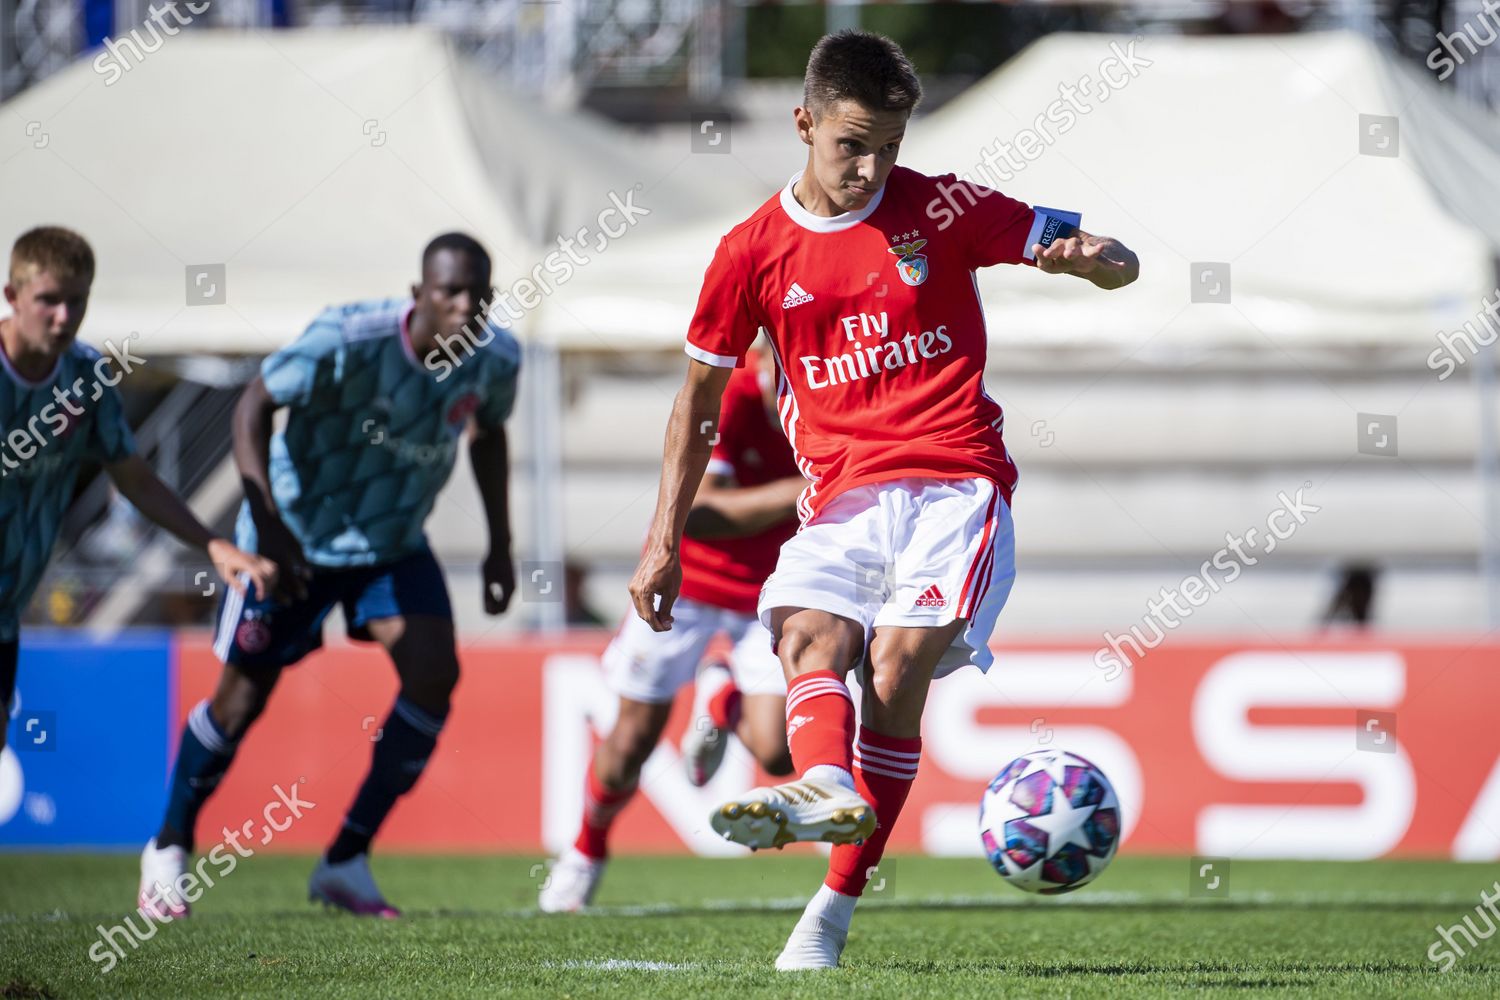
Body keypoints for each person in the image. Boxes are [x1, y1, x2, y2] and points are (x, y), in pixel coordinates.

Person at [626, 31, 1140, 969]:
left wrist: (1099, 258)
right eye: (852, 144)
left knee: (894, 677)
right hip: (844, 499)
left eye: (891, 146)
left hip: (957, 487)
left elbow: (1073, 244)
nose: (871, 167)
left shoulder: (941, 209)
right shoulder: (749, 253)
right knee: (807, 639)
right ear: (805, 122)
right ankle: (823, 783)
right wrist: (661, 539)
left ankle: (829, 912)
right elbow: (695, 402)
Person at [140, 232, 521, 919]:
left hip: (391, 542)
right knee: (240, 703)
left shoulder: (496, 360)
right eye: (450, 293)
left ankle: (344, 861)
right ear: (419, 296)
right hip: (294, 541)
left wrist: (501, 543)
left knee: (435, 673)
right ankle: (168, 846)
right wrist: (265, 518)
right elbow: (254, 403)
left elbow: (488, 434)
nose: (466, 307)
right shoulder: (346, 337)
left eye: (478, 294)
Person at [541, 344, 804, 912]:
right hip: (688, 579)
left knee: (779, 753)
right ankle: (585, 853)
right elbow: (699, 510)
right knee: (632, 740)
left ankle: (722, 698)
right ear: (766, 358)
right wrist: (792, 497)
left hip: (771, 588)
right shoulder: (731, 400)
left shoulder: (828, 396)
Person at [0, 225, 273, 754]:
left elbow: (135, 478)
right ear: (11, 296)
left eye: (76, 302)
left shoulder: (84, 377)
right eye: (48, 301)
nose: (63, 317)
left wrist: (211, 543)